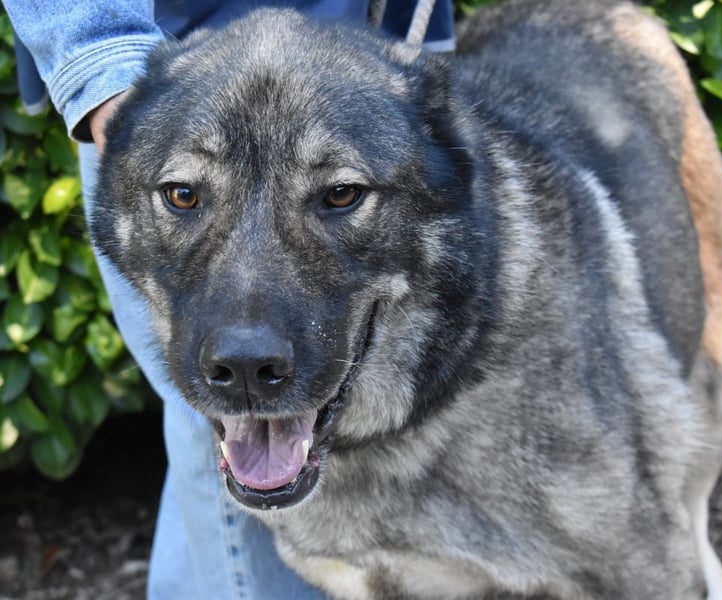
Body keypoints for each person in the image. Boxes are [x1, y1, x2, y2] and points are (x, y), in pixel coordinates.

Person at [3, 1, 455, 597]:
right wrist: (105, 72)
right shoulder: (147, 105)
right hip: (156, 68)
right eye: (186, 196)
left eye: (339, 195)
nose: (249, 346)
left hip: (371, 60)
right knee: (210, 433)